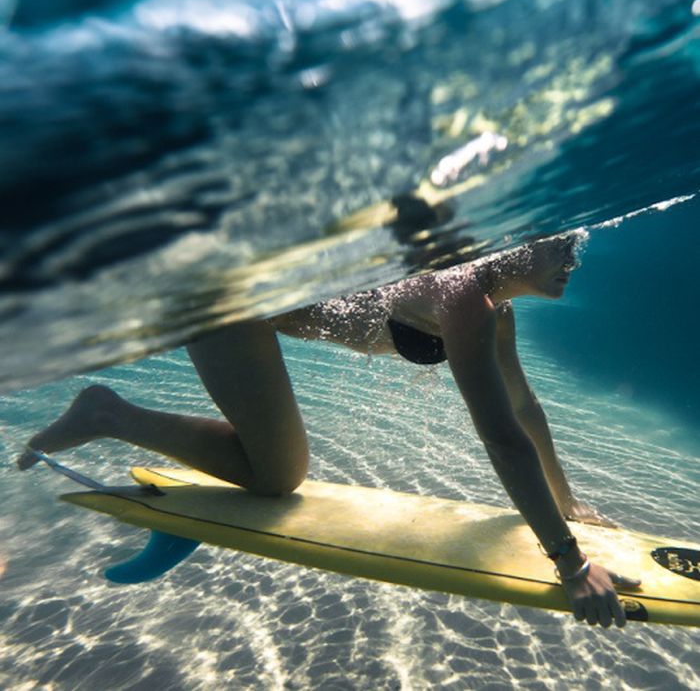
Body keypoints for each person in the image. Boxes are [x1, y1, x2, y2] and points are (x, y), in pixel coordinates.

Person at [18, 233, 640, 627]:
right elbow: (501, 438)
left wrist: (567, 504)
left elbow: (525, 410)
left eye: (579, 248)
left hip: (249, 300)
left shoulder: (491, 311)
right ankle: (106, 413)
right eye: (562, 245)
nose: (573, 259)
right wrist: (569, 563)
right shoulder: (462, 298)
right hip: (226, 305)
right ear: (520, 241)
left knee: (278, 474)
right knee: (275, 479)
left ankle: (109, 413)